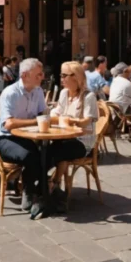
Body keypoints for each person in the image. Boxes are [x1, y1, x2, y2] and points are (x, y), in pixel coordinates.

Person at [0, 58, 50, 220]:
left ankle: (43, 188)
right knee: (31, 155)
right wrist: (36, 121)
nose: (42, 77)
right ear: (25, 75)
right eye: (38, 75)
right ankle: (30, 189)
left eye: (42, 74)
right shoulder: (10, 93)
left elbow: (43, 113)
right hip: (7, 139)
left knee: (50, 152)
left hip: (30, 138)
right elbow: (9, 123)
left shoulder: (38, 91)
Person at [49, 61, 99, 210]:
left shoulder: (88, 96)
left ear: (76, 77)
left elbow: (86, 121)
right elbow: (57, 111)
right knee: (51, 148)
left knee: (61, 151)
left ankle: (53, 184)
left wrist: (69, 120)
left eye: (64, 75)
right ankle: (53, 187)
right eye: (61, 75)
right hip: (64, 137)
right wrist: (52, 115)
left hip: (83, 141)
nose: (61, 79)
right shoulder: (64, 93)